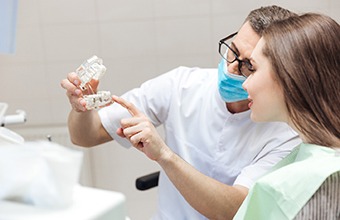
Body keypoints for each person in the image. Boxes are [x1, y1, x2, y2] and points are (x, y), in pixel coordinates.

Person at [61, 6, 301, 220]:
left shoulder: (286, 132)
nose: (231, 68)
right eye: (232, 50)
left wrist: (164, 155)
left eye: (249, 65)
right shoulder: (182, 85)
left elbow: (233, 211)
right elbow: (85, 136)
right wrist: (81, 108)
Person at [231, 13, 340, 219]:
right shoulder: (313, 154)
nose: (245, 83)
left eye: (252, 68)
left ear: (288, 75)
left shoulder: (307, 186)